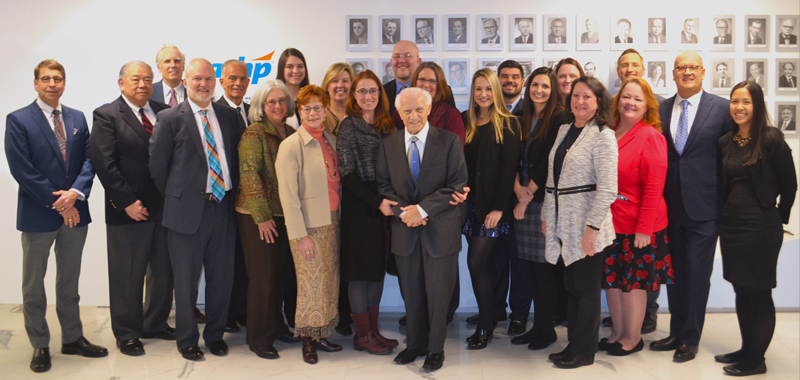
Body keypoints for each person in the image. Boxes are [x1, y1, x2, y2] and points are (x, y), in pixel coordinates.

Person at [6, 59, 107, 373]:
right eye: (46, 79)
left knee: (69, 282)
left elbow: (89, 162)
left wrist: (74, 195)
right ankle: (39, 343)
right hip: (39, 214)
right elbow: (22, 170)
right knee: (33, 285)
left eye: (58, 79)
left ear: (64, 83)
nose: (52, 84)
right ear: (35, 83)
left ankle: (73, 338)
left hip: (76, 213)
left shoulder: (77, 118)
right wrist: (60, 203)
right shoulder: (18, 119)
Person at [149, 58, 245, 361]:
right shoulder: (169, 118)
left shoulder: (229, 117)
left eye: (208, 79)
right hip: (186, 213)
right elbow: (157, 167)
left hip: (223, 209)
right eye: (196, 79)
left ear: (214, 82)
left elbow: (236, 162)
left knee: (221, 280)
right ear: (185, 82)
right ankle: (187, 339)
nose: (202, 84)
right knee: (186, 281)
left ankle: (215, 335)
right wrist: (181, 197)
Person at [649, 50, 734, 363]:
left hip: (705, 208)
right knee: (675, 273)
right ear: (673, 74)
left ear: (702, 72)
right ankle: (675, 332)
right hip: (668, 207)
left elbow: (730, 161)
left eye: (692, 67)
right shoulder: (660, 108)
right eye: (681, 67)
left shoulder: (722, 109)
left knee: (697, 275)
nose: (687, 72)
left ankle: (690, 338)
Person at [376, 87, 468, 371]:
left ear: (428, 110)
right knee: (412, 293)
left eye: (418, 109)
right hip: (405, 229)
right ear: (399, 113)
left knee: (439, 295)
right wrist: (407, 212)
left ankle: (436, 350)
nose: (413, 115)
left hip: (440, 230)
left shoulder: (450, 141)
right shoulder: (388, 143)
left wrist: (423, 210)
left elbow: (457, 183)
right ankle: (414, 345)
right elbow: (383, 185)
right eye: (407, 110)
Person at [88, 61, 174, 357]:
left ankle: (155, 322)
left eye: (148, 79)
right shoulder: (107, 115)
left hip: (165, 208)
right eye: (136, 79)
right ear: (121, 82)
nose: (142, 84)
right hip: (128, 210)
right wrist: (126, 202)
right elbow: (104, 163)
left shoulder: (164, 111)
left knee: (164, 272)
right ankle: (127, 332)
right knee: (128, 275)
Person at [716, 81, 797, 376]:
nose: (739, 107)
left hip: (761, 227)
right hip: (732, 225)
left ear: (757, 105)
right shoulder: (726, 141)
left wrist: (778, 218)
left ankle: (757, 360)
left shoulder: (771, 139)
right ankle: (747, 348)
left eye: (746, 102)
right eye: (735, 101)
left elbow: (790, 185)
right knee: (741, 288)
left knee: (759, 291)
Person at [542, 76, 618, 369]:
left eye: (587, 96)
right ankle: (573, 345)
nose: (580, 101)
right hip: (564, 222)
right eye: (576, 96)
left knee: (586, 291)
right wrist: (547, 215)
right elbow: (552, 179)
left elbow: (609, 188)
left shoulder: (603, 135)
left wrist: (593, 228)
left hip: (587, 224)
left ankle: (585, 352)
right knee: (572, 287)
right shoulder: (564, 129)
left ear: (598, 102)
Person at [600, 77, 672, 356]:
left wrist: (644, 229)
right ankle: (617, 333)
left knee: (633, 284)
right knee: (612, 281)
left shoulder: (651, 136)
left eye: (637, 99)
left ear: (647, 106)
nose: (630, 102)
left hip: (639, 226)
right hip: (610, 222)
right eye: (626, 97)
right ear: (618, 101)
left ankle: (632, 337)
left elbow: (655, 187)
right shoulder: (609, 131)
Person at [275, 85, 343, 365]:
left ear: (326, 110)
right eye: (307, 108)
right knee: (309, 285)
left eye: (318, 107)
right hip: (308, 227)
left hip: (332, 220)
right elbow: (288, 196)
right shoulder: (291, 145)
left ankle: (321, 334)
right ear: (299, 112)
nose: (313, 113)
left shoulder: (330, 139)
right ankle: (306, 341)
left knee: (328, 282)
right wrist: (299, 235)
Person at [508, 67, 570, 350]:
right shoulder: (520, 116)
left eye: (545, 86)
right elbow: (508, 157)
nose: (539, 90)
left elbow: (551, 160)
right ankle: (537, 327)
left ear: (553, 89)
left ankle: (546, 329)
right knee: (530, 267)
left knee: (545, 267)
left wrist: (527, 193)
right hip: (522, 197)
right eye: (535, 85)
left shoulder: (560, 118)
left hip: (543, 202)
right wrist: (517, 189)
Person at [337, 70, 398, 355]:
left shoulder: (388, 125)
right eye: (361, 91)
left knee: (376, 271)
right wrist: (376, 202)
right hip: (360, 207)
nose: (368, 96)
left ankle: (373, 330)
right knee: (360, 273)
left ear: (380, 94)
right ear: (353, 96)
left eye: (373, 90)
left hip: (384, 207)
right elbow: (347, 174)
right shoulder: (349, 126)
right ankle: (362, 336)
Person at [236, 80, 297, 360]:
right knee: (263, 278)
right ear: (260, 107)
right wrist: (262, 218)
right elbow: (250, 176)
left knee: (280, 275)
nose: (277, 106)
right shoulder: (254, 133)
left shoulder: (292, 132)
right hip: (257, 216)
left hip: (284, 214)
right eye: (270, 102)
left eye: (281, 100)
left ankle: (277, 327)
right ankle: (259, 338)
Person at [461, 68, 520, 350]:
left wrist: (498, 208)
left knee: (476, 262)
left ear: (495, 91)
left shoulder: (509, 124)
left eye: (487, 89)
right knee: (483, 264)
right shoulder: (465, 121)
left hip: (492, 209)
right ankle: (490, 316)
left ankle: (486, 324)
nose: (483, 94)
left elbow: (509, 171)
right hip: (468, 207)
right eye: (477, 89)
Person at [216, 59, 250, 333]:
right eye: (232, 79)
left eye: (242, 79)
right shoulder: (213, 112)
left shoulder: (253, 111)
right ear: (222, 82)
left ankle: (242, 309)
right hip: (223, 200)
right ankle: (224, 312)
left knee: (243, 258)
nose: (238, 83)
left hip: (250, 201)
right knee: (223, 260)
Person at [392, 62, 466, 144]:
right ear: (415, 81)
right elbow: (395, 146)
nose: (426, 85)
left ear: (440, 85)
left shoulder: (452, 116)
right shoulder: (401, 112)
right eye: (422, 79)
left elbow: (456, 152)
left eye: (432, 81)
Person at [385, 41, 421, 115]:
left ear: (418, 61)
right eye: (397, 56)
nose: (401, 60)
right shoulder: (381, 93)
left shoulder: (434, 92)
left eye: (407, 56)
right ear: (391, 62)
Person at [276, 48, 309, 129]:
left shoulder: (312, 99)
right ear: (282, 69)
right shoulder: (275, 102)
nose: (295, 71)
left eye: (300, 66)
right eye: (290, 66)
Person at [321, 62, 355, 137]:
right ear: (327, 86)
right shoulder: (320, 116)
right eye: (335, 81)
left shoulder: (360, 114)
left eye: (345, 81)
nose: (340, 85)